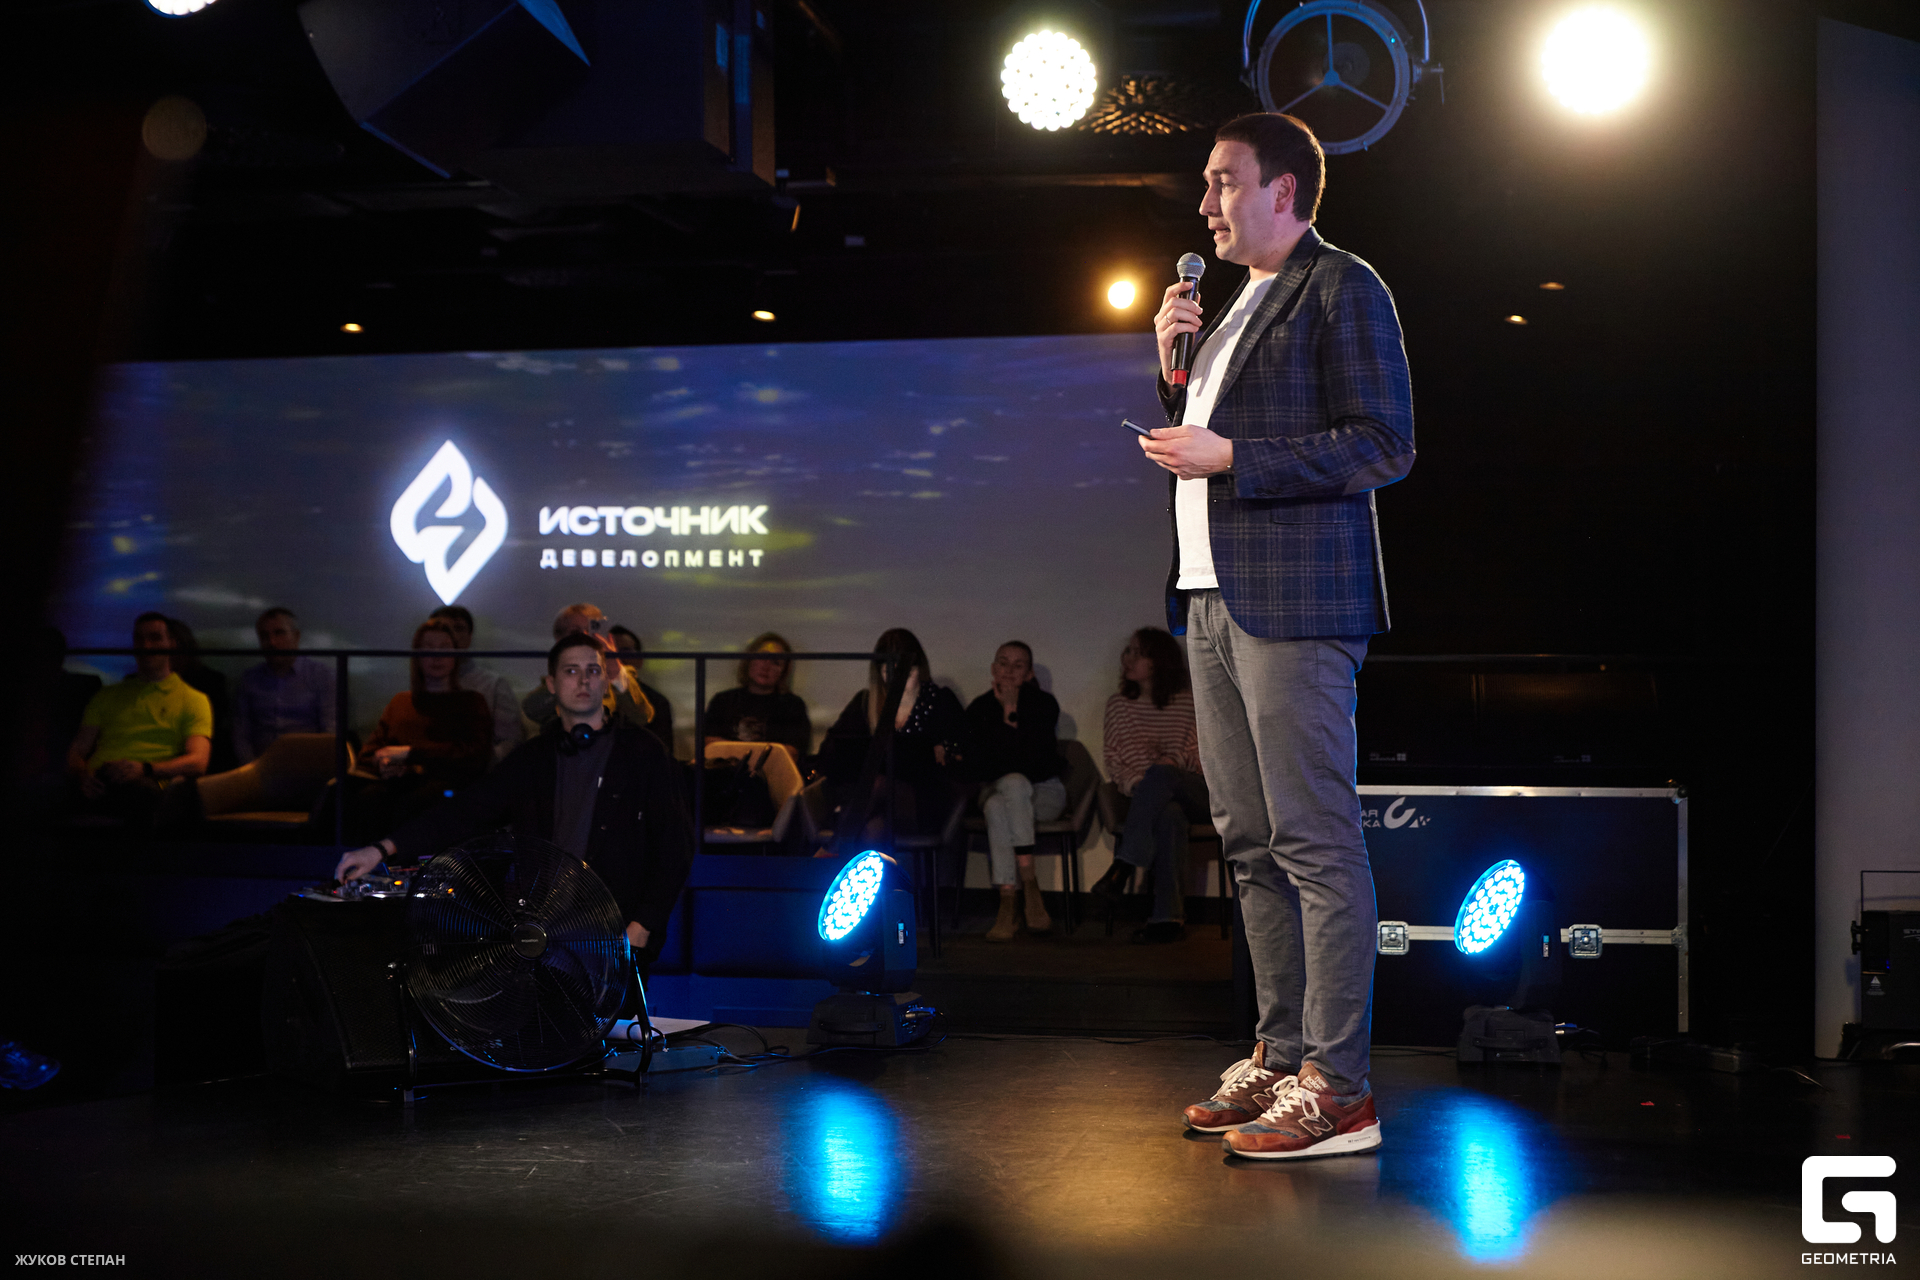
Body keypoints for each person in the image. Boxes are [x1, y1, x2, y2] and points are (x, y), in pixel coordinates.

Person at [1143, 113, 1413, 1159]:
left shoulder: (1342, 285)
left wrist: (1233, 458)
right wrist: (1172, 368)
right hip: (1211, 598)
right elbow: (1205, 436)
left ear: (1283, 191)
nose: (1205, 203)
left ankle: (1341, 1089)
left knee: (1312, 840)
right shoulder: (1228, 309)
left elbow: (1383, 442)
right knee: (1251, 844)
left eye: (1223, 182)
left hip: (1297, 602)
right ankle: (1281, 1050)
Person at [334, 633, 696, 965]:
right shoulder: (533, 758)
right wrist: (382, 849)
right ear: (551, 684)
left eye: (593, 670)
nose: (584, 680)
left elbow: (675, 846)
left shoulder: (644, 753)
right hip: (542, 931)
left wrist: (643, 926)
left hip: (616, 932)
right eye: (571, 671)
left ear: (605, 681)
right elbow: (464, 812)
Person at [1090, 628, 1207, 944]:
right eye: (1127, 651)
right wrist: (1143, 785)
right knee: (1169, 815)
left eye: (1138, 653)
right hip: (1150, 797)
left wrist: (1167, 765)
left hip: (1192, 790)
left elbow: (1200, 756)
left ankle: (1125, 864)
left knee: (1163, 775)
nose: (1127, 659)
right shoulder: (1119, 705)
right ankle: (1167, 919)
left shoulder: (1189, 702)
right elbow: (1115, 761)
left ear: (1159, 662)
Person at [66, 611, 213, 828]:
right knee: (43, 789)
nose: (146, 645)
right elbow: (77, 750)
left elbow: (198, 761)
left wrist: (145, 768)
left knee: (142, 795)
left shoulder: (193, 699)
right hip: (98, 779)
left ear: (171, 644)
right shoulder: (107, 695)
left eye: (155, 638)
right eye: (139, 638)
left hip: (146, 785)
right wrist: (83, 776)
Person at [820, 628, 965, 847]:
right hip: (878, 806)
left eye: (906, 670)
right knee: (874, 828)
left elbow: (964, 750)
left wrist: (944, 749)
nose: (898, 678)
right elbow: (831, 753)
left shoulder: (940, 700)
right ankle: (856, 863)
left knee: (879, 784)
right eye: (889, 671)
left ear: (919, 668)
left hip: (924, 803)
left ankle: (831, 851)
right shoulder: (865, 703)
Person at [349, 619, 493, 839]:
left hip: (443, 788)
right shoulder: (401, 702)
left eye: (444, 648)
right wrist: (385, 764)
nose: (436, 656)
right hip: (397, 785)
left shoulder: (472, 702)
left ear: (456, 654)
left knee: (418, 802)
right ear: (417, 656)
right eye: (428, 648)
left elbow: (474, 756)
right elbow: (369, 754)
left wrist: (411, 755)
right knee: (367, 798)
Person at [962, 641, 1066, 941]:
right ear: (993, 669)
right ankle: (1027, 887)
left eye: (1018, 665)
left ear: (1029, 673)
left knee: (1013, 787)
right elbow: (983, 766)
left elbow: (1030, 763)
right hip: (998, 791)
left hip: (1043, 794)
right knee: (1004, 795)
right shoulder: (979, 709)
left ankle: (1010, 903)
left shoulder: (1044, 705)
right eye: (1003, 663)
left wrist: (1010, 711)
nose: (1009, 670)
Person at [521, 603, 656, 737]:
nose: (585, 637)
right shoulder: (555, 678)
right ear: (560, 640)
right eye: (576, 633)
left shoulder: (620, 675)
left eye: (591, 631)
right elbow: (533, 709)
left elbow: (642, 717)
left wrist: (615, 673)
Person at [232, 607, 336, 764]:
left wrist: (315, 767)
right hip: (261, 767)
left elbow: (330, 732)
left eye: (279, 633)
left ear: (296, 636)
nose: (272, 642)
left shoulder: (321, 676)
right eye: (264, 636)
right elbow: (241, 735)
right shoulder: (249, 680)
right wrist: (252, 769)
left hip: (308, 766)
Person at [428, 604, 526, 762]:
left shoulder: (493, 685)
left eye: (458, 628)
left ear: (470, 636)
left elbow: (510, 743)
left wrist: (476, 765)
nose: (452, 635)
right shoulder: (419, 684)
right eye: (443, 629)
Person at [704, 632, 811, 759]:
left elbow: (792, 752)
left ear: (784, 671)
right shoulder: (723, 701)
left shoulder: (793, 706)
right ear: (749, 660)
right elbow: (710, 745)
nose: (766, 666)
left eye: (776, 662)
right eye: (762, 657)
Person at [166, 617, 235, 775]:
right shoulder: (137, 686)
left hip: (203, 761)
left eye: (174, 645)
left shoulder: (211, 683)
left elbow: (214, 727)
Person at [608, 625, 676, 757]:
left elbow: (663, 754)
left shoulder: (657, 702)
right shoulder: (590, 696)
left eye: (625, 651)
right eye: (611, 652)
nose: (617, 659)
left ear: (639, 660)